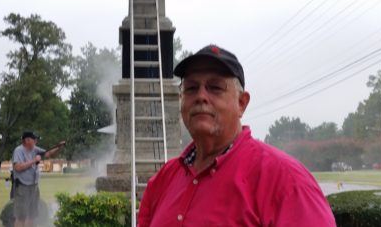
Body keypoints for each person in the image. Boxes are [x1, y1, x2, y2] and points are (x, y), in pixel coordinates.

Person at [138, 45, 336, 226]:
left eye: (215, 87)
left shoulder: (286, 181)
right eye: (191, 88)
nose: (201, 96)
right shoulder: (162, 181)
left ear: (242, 103)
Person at [12, 131, 64, 227]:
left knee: (32, 215)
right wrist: (34, 160)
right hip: (23, 187)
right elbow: (18, 167)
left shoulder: (34, 149)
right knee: (21, 216)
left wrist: (58, 147)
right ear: (27, 140)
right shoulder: (18, 150)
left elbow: (48, 154)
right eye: (34, 139)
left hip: (34, 187)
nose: (36, 141)